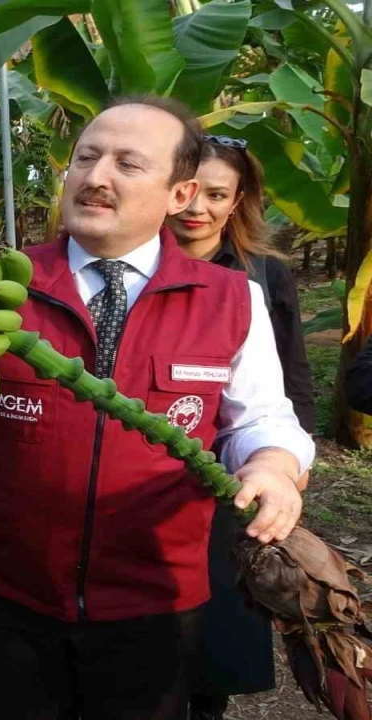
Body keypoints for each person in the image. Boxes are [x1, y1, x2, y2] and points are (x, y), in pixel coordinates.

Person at [0, 96, 314, 719]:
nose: (96, 177)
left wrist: (272, 467)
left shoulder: (231, 298)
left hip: (155, 597)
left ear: (180, 194)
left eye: (128, 164)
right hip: (10, 589)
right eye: (86, 158)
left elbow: (259, 416)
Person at [165, 137, 316, 720]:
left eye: (217, 195)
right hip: (162, 458)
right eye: (189, 191)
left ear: (238, 202)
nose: (196, 207)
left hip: (236, 465)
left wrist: (287, 464)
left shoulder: (262, 277)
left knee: (221, 612)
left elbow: (288, 378)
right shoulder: (133, 268)